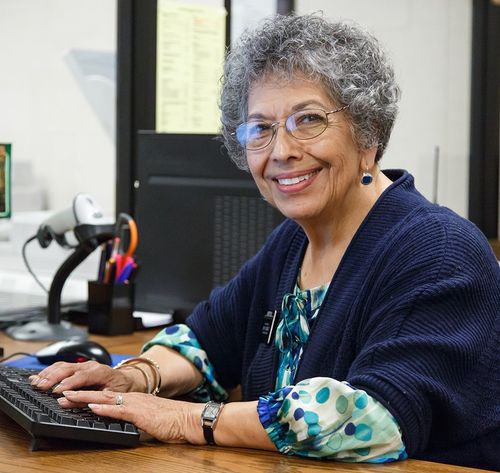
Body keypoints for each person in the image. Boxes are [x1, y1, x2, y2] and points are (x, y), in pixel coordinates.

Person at [30, 13, 499, 470]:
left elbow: (376, 417)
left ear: (368, 134)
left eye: (308, 119)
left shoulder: (438, 250)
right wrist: (133, 377)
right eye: (261, 129)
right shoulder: (291, 245)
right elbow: (204, 343)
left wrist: (189, 419)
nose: (281, 151)